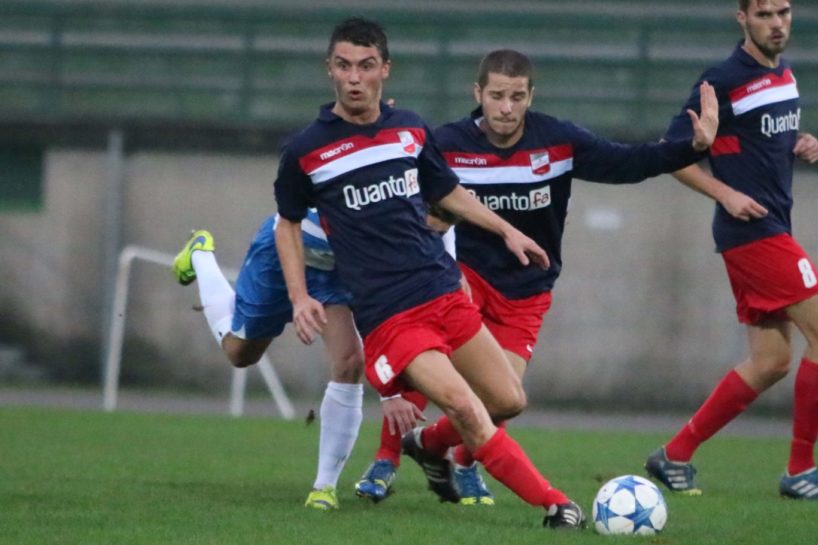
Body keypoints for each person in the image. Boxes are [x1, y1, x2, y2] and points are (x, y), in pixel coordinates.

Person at [355, 47, 720, 506]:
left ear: (531, 96)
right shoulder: (448, 144)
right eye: (496, 96)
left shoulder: (558, 141)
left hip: (527, 288)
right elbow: (393, 175)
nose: (506, 108)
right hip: (462, 279)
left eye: (516, 96)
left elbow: (628, 163)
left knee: (505, 400)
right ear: (478, 94)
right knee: (422, 365)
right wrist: (377, 130)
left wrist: (693, 147)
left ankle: (435, 448)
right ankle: (385, 462)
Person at [272, 17, 585, 529]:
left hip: (442, 289)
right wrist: (300, 296)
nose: (355, 78)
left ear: (385, 71)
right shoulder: (307, 150)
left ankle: (422, 445)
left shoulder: (409, 129)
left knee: (509, 399)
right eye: (344, 66)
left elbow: (448, 192)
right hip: (393, 317)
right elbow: (287, 224)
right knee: (463, 403)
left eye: (366, 66)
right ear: (329, 69)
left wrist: (506, 230)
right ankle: (556, 505)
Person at [643, 0, 818, 504]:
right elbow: (669, 153)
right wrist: (725, 193)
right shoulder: (721, 79)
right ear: (742, 18)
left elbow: (763, 142)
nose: (777, 22)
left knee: (771, 361)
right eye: (764, 14)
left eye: (783, 11)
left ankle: (674, 455)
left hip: (772, 228)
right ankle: (800, 470)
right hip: (753, 234)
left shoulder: (784, 74)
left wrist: (802, 143)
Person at [170, 210, 423, 511]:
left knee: (350, 360)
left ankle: (323, 488)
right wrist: (299, 297)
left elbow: (379, 310)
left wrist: (390, 391)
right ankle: (200, 253)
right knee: (239, 353)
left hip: (332, 269)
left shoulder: (400, 192)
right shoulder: (313, 165)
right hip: (282, 254)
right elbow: (288, 213)